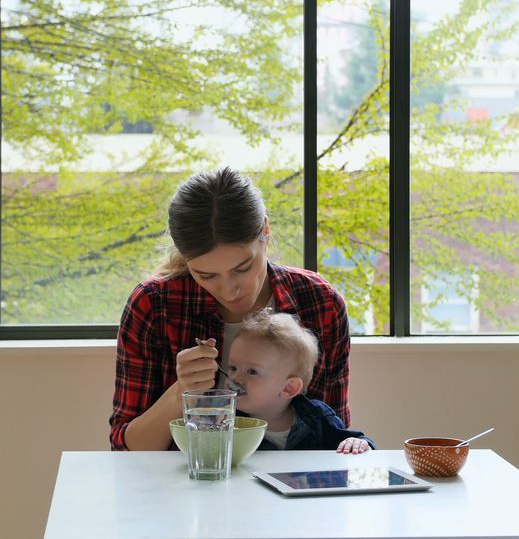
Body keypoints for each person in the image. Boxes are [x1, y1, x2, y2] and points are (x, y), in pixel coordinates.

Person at [109, 167, 352, 451]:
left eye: (242, 268)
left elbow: (337, 442)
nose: (229, 290)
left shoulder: (320, 303)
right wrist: (180, 392)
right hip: (181, 491)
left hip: (291, 489)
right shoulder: (154, 306)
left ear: (266, 231)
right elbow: (125, 451)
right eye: (206, 275)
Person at [227, 309, 373, 453]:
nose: (235, 378)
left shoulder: (317, 417)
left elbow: (355, 444)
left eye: (252, 372)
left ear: (289, 388)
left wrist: (358, 443)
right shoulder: (225, 422)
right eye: (233, 368)